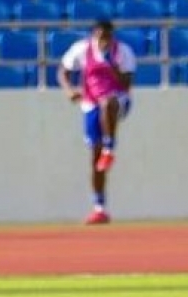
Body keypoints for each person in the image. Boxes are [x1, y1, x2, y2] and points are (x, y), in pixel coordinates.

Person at [57, 18, 136, 225]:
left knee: (108, 103)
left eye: (108, 37)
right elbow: (63, 70)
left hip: (118, 99)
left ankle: (110, 147)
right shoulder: (82, 49)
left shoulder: (122, 52)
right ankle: (99, 207)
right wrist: (69, 90)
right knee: (95, 157)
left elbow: (127, 83)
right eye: (101, 37)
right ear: (94, 36)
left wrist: (112, 65)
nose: (104, 42)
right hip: (90, 102)